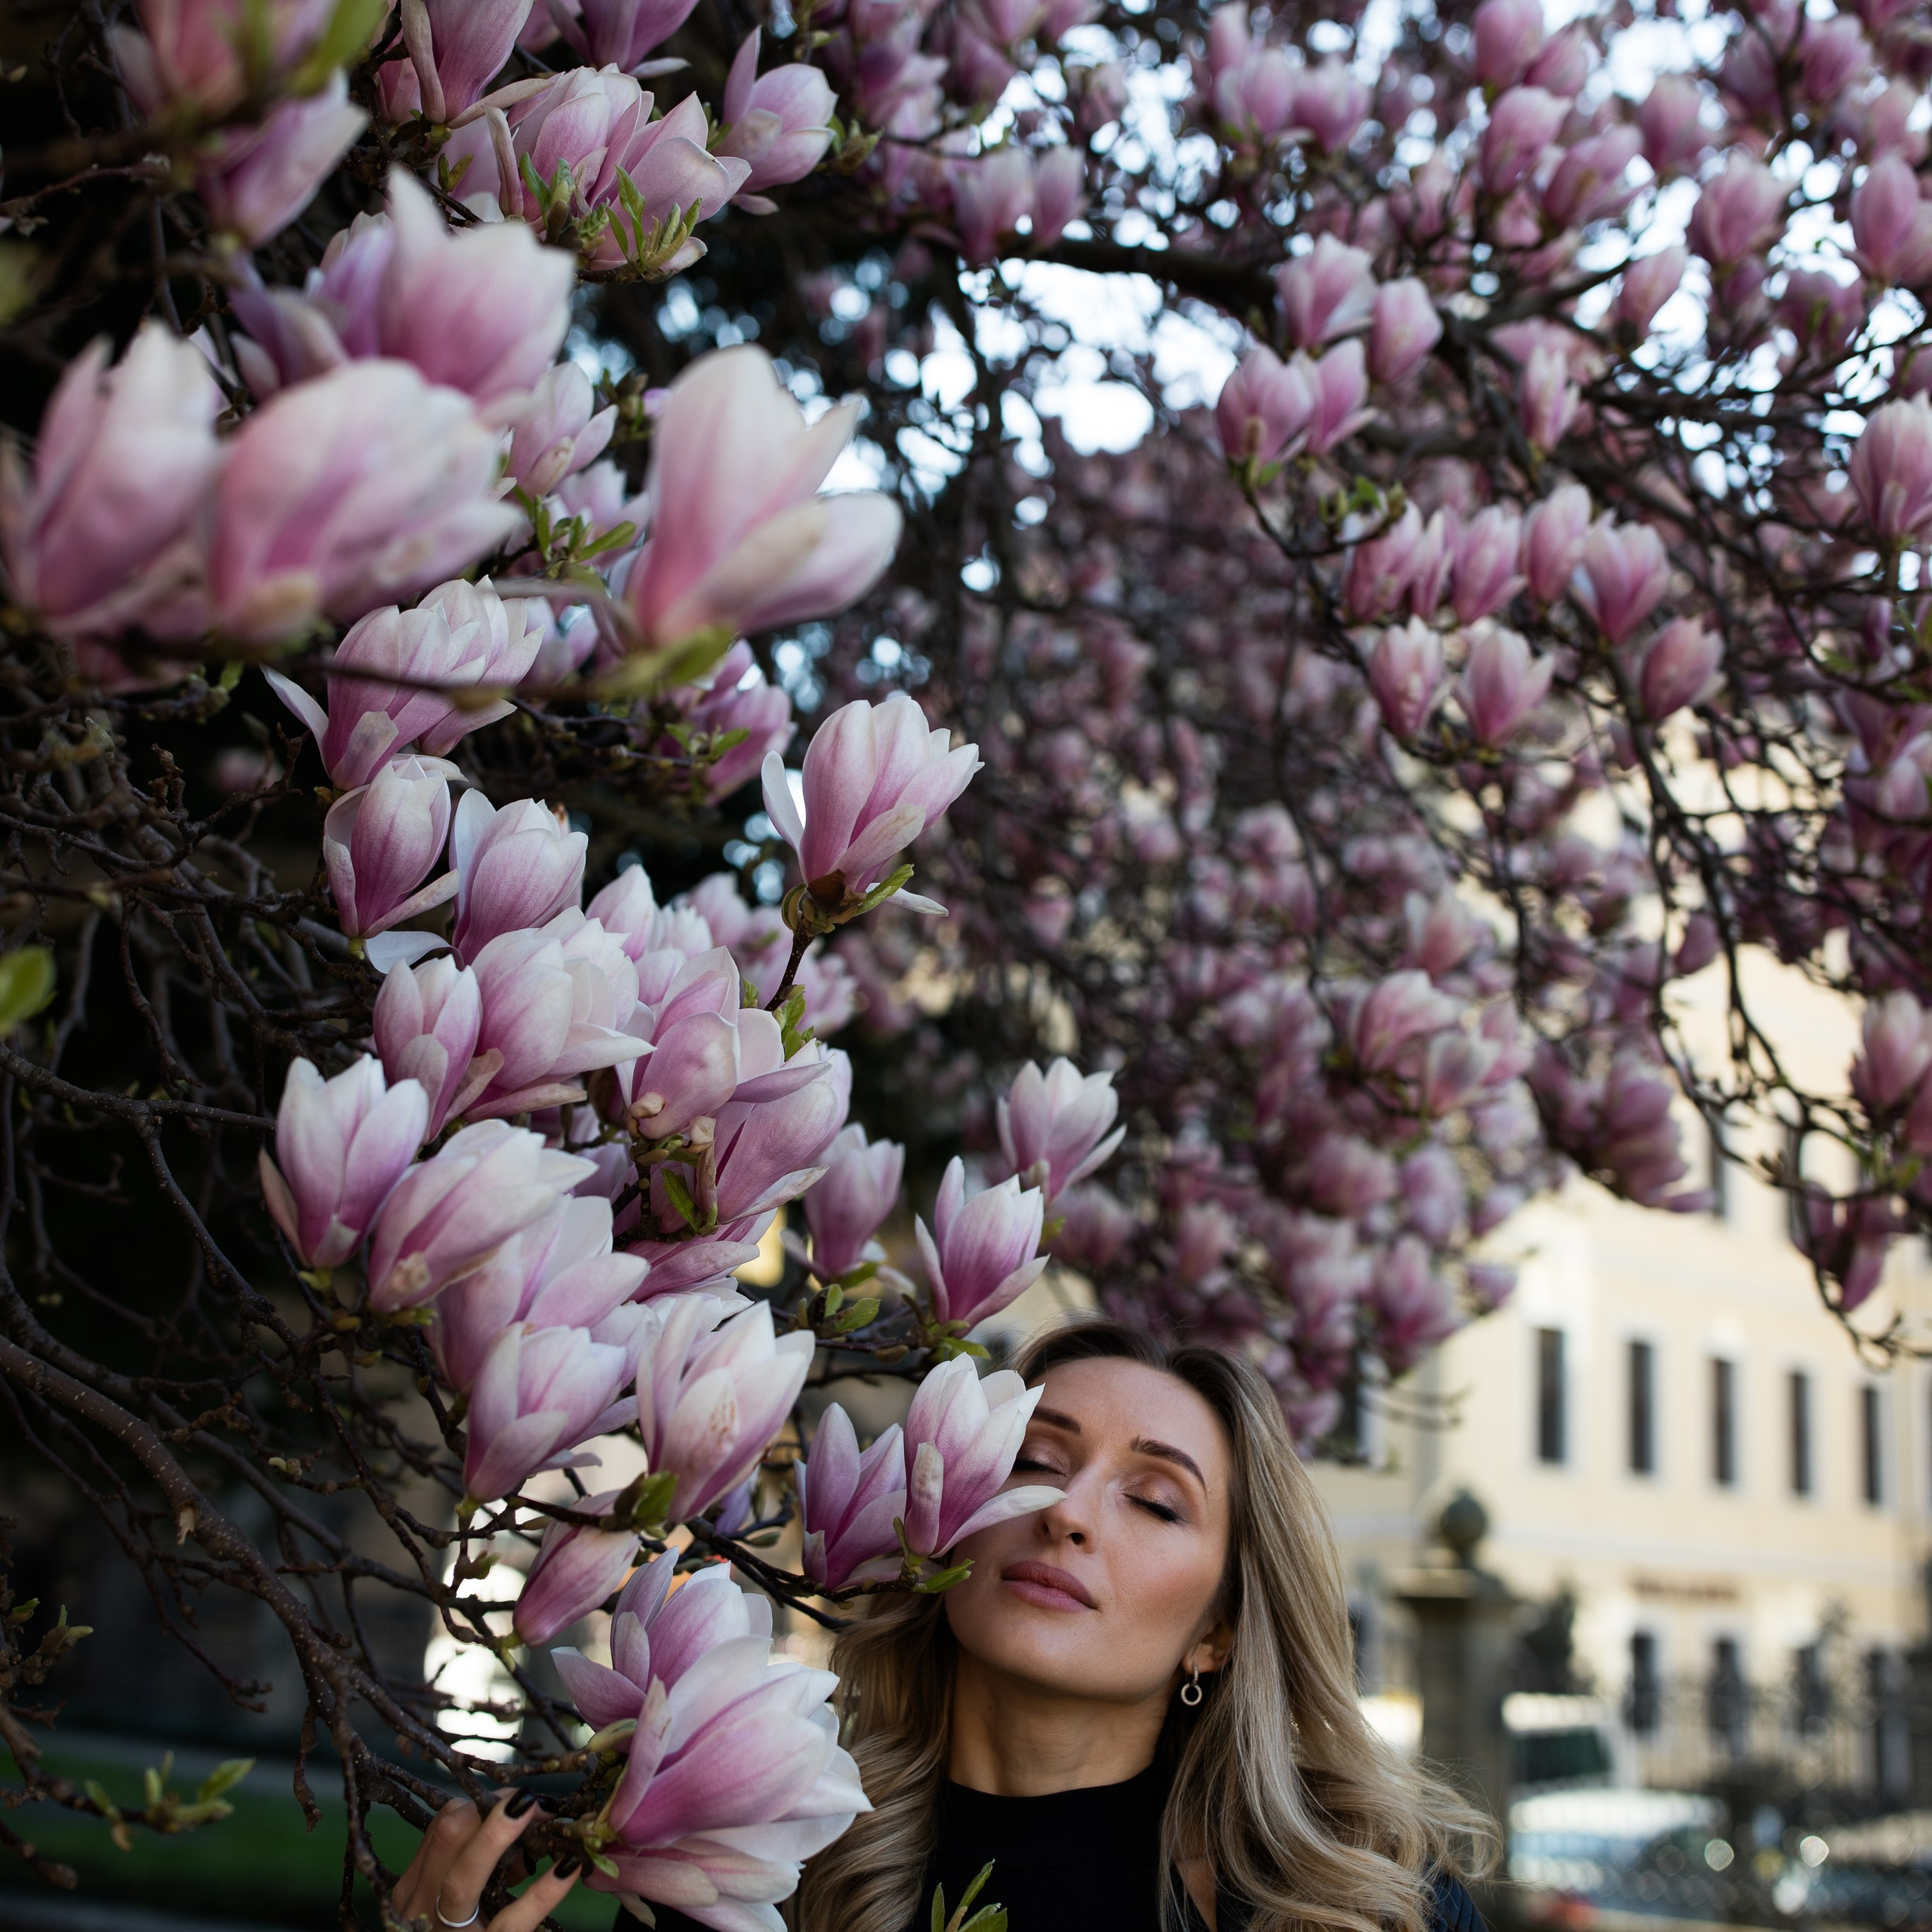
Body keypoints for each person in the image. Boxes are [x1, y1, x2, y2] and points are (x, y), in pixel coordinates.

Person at [397, 1318, 1495, 1932]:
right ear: (939, 1518)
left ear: (1217, 1633)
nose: (1062, 1512)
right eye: (1030, 1461)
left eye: (1155, 1501)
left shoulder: (1359, 1909)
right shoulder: (757, 1863)